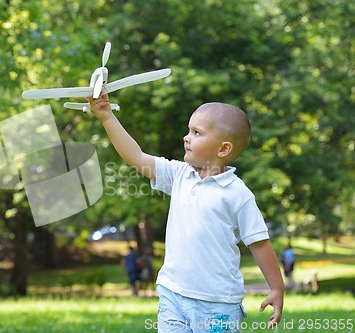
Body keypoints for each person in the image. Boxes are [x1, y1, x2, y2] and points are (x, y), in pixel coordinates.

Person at [86, 94, 284, 332]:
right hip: (173, 294)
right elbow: (136, 157)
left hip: (217, 305)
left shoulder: (237, 194)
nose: (186, 138)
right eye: (188, 131)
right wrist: (107, 117)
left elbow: (259, 243)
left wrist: (276, 288)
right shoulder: (179, 174)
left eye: (196, 133)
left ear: (223, 149)